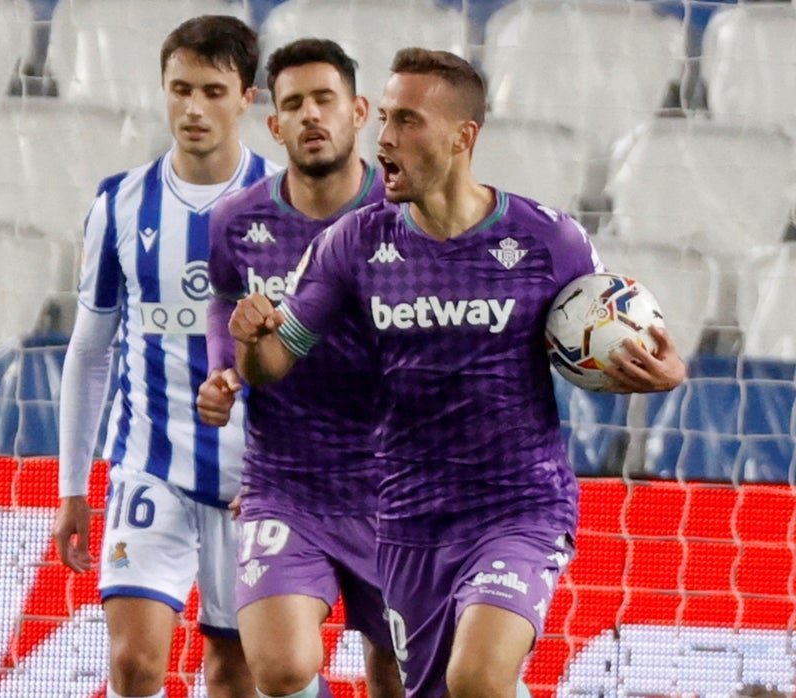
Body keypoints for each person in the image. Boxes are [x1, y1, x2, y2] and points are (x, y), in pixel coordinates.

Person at [229, 48, 686, 698]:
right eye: (384, 118)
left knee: (476, 678)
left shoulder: (547, 241)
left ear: (462, 136)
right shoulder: (352, 245)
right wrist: (252, 341)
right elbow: (274, 364)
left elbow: (603, 337)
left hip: (518, 506)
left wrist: (660, 370)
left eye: (406, 121)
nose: (383, 138)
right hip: (408, 516)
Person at [51, 15, 279, 698]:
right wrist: (72, 488)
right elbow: (89, 350)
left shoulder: (286, 202)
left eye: (213, 90)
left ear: (247, 97)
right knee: (134, 665)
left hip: (256, 482)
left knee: (235, 673)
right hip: (150, 466)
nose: (193, 108)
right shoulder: (120, 203)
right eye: (180, 89)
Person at [197, 38, 400, 698]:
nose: (311, 115)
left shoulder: (408, 217)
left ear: (359, 111)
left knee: (398, 671)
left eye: (325, 100)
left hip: (396, 486)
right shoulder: (237, 220)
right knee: (281, 670)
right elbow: (226, 302)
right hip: (284, 481)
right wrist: (224, 372)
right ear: (275, 124)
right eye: (294, 104)